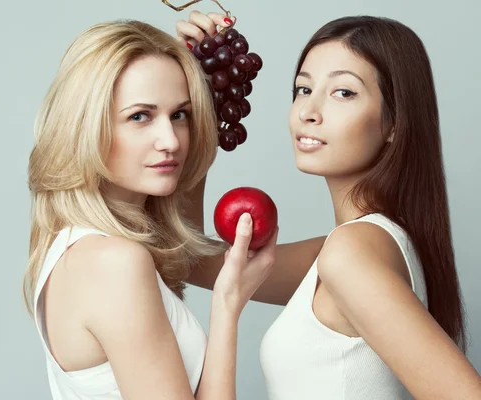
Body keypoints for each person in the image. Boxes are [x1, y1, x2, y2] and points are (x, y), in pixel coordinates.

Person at [176, 11, 481, 399]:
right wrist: (201, 106)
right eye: (303, 89)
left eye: (343, 92)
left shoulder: (352, 254)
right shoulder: (352, 249)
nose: (308, 112)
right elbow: (187, 259)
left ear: (394, 124)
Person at [23, 19, 277, 400]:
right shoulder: (115, 263)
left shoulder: (76, 249)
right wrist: (227, 304)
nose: (170, 140)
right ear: (86, 126)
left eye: (180, 115)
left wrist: (196, 70)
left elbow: (181, 235)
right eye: (139, 116)